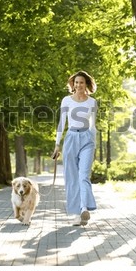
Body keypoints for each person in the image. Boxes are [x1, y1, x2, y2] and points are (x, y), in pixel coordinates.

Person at [52, 70, 98, 226]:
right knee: (72, 178)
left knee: (83, 176)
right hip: (71, 138)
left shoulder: (92, 102)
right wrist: (57, 145)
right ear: (73, 84)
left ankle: (84, 208)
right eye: (76, 82)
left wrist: (94, 142)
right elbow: (61, 123)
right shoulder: (66, 100)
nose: (78, 85)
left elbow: (93, 125)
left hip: (87, 139)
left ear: (86, 85)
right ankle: (77, 214)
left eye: (82, 82)